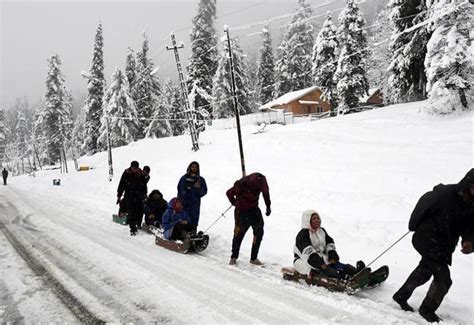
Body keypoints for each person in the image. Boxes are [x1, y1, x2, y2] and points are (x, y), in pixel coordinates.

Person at [393, 169, 474, 323]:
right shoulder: (445, 194)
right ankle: (426, 310)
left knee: (424, 271)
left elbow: (470, 227)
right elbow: (425, 202)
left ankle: (400, 296)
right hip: (427, 239)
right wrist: (413, 224)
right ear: (469, 183)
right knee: (444, 279)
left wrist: (469, 241)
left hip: (443, 246)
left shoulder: (471, 205)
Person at [293, 210, 363, 280]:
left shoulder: (321, 231)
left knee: (338, 265)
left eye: (318, 218)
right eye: (314, 218)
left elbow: (329, 243)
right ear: (307, 221)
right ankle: (343, 278)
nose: (317, 220)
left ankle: (357, 272)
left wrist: (332, 255)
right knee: (329, 271)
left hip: (321, 258)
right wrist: (320, 264)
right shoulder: (303, 234)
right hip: (304, 261)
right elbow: (308, 253)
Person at [226, 172, 271, 266]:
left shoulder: (257, 180)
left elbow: (229, 193)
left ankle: (242, 257)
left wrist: (234, 202)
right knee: (241, 233)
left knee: (252, 233)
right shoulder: (243, 183)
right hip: (246, 212)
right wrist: (234, 202)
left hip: (247, 211)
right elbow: (229, 193)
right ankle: (238, 257)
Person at [117, 161, 146, 236]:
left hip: (139, 196)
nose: (134, 169)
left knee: (140, 210)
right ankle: (133, 229)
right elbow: (121, 184)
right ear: (131, 167)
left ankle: (138, 224)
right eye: (133, 167)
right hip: (129, 195)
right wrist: (119, 195)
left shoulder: (141, 174)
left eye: (135, 168)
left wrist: (144, 194)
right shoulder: (126, 173)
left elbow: (144, 185)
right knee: (132, 212)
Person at [177, 161, 207, 232]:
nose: (194, 168)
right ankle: (182, 234)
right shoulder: (184, 178)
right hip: (184, 203)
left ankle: (193, 234)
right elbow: (180, 189)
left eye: (195, 167)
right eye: (192, 167)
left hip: (194, 204)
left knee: (193, 220)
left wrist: (198, 188)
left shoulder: (200, 180)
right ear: (190, 167)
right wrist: (182, 196)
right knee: (183, 219)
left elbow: (204, 191)